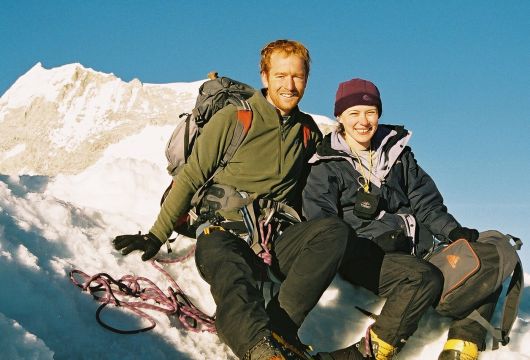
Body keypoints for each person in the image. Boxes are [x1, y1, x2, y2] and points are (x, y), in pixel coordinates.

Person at [113, 40, 351, 360]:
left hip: (273, 238)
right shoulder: (235, 118)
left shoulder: (307, 132)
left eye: (297, 77)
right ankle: (258, 348)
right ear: (265, 77)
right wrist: (157, 234)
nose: (289, 85)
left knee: (333, 232)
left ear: (306, 80)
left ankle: (280, 327)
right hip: (221, 231)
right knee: (232, 275)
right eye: (280, 76)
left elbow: (314, 193)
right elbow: (192, 176)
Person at [303, 78, 498, 360]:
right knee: (422, 277)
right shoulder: (326, 164)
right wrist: (356, 247)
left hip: (417, 249)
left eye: (370, 112)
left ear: (379, 114)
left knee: (486, 256)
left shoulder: (398, 155)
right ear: (340, 117)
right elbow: (322, 223)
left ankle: (462, 346)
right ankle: (370, 351)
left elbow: (426, 203)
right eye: (353, 113)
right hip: (367, 256)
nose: (363, 121)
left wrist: (453, 231)